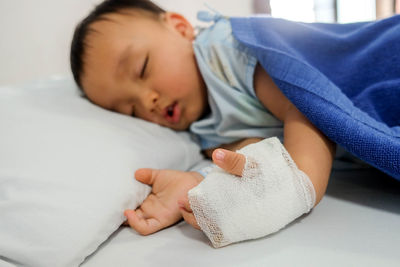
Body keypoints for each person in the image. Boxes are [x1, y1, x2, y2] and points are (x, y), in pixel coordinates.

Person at [70, 0, 400, 245]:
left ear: (181, 28)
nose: (147, 101)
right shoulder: (202, 129)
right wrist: (197, 186)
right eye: (129, 109)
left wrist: (298, 187)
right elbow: (254, 153)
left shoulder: (224, 51)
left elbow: (301, 106)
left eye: (142, 68)